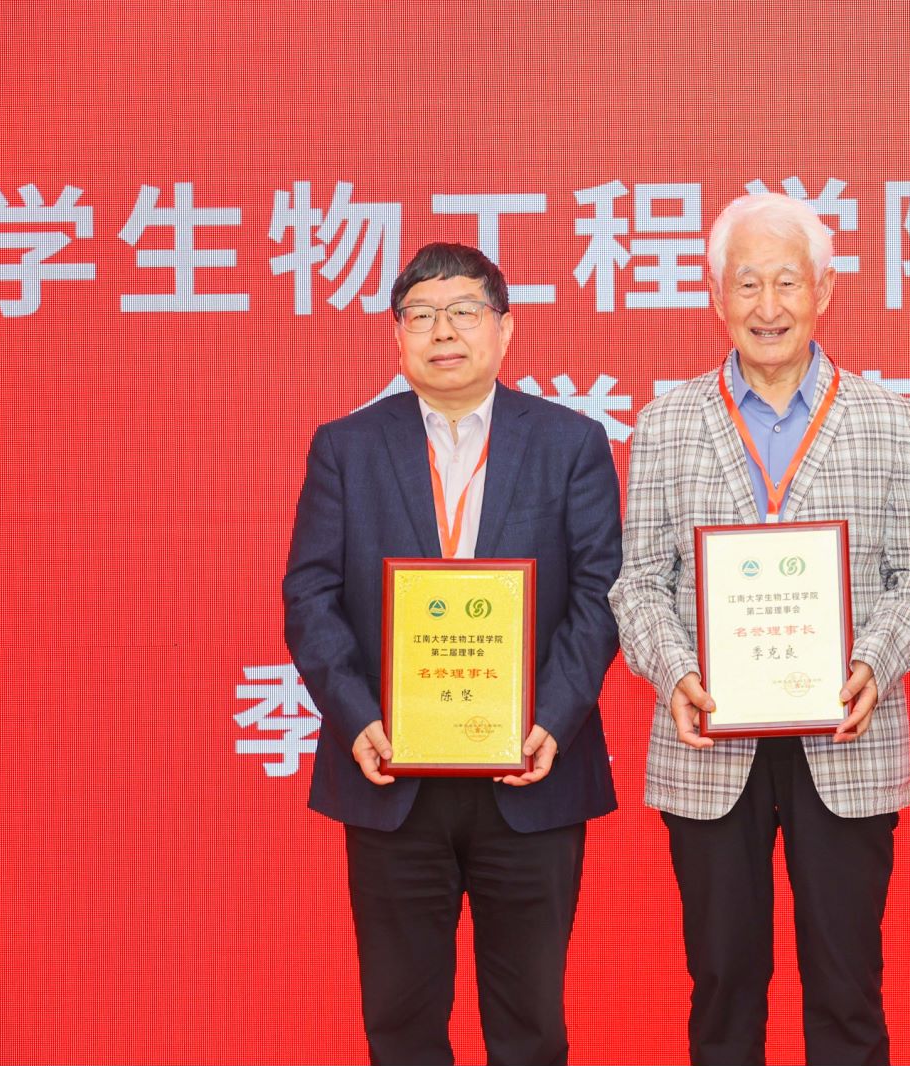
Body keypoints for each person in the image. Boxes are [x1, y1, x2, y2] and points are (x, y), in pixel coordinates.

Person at [608, 193, 910, 1066]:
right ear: (715, 294)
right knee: (723, 988)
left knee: (847, 990)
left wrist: (874, 662)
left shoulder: (888, 418)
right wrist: (676, 671)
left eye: (787, 282)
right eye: (747, 283)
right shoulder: (666, 422)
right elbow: (638, 583)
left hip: (847, 736)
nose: (768, 306)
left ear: (823, 290)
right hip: (708, 742)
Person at [283, 242, 621, 1066]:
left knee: (530, 1025)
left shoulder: (570, 442)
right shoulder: (347, 447)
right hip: (393, 775)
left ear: (505, 329)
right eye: (421, 315)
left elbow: (601, 592)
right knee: (400, 1023)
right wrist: (358, 718)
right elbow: (310, 596)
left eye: (465, 311)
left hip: (532, 774)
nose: (444, 331)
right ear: (397, 336)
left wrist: (552, 719)